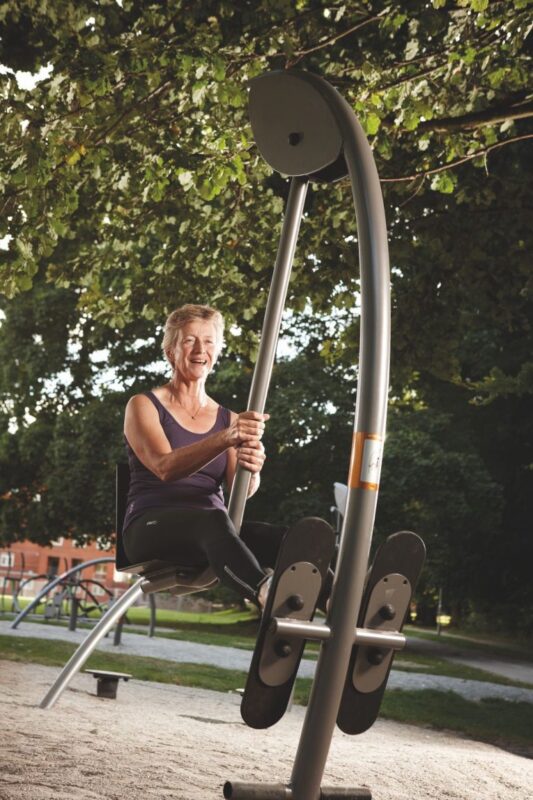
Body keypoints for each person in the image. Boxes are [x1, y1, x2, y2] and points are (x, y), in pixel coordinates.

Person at [122, 303, 289, 608]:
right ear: (171, 350)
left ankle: (337, 601)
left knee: (280, 539)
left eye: (209, 341)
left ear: (217, 349)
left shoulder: (232, 419)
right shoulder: (143, 405)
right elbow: (164, 467)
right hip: (150, 528)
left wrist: (253, 467)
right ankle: (266, 594)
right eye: (189, 340)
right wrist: (225, 439)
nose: (200, 349)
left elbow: (242, 491)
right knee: (212, 520)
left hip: (212, 530)